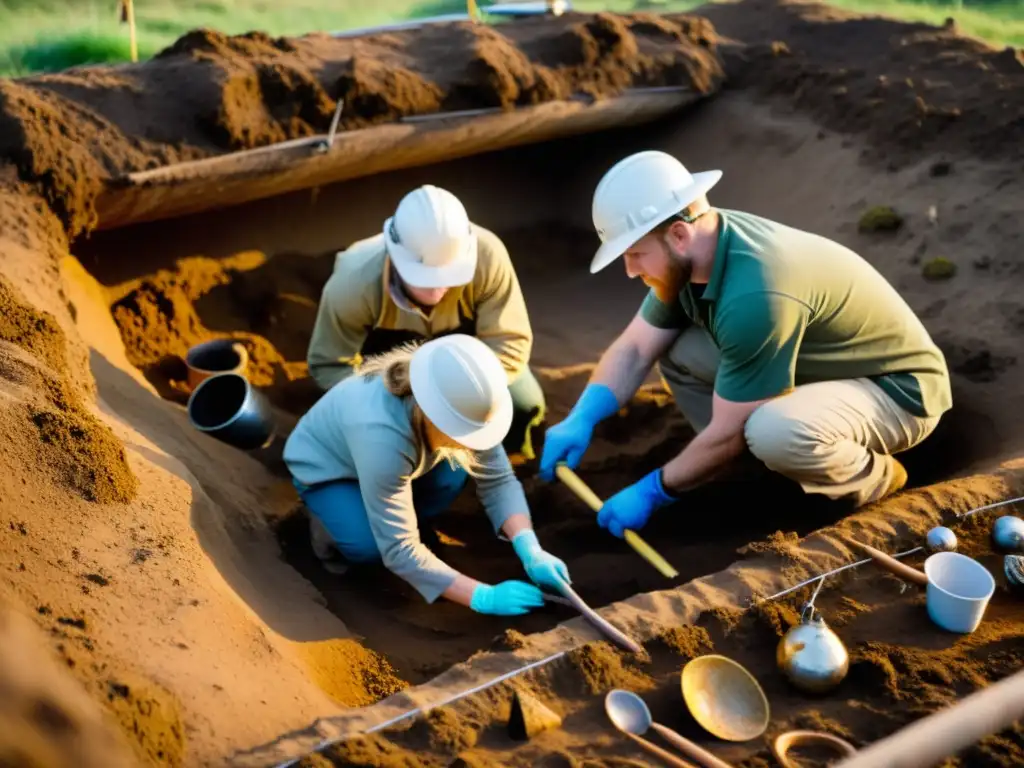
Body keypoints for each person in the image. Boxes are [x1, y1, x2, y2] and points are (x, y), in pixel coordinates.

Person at [540, 150, 952, 538]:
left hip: (897, 390)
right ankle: (745, 466)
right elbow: (634, 348)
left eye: (635, 254)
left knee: (771, 431)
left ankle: (877, 479)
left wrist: (654, 489)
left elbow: (730, 430)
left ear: (679, 235)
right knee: (679, 351)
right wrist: (582, 417)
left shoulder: (755, 292)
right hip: (823, 367)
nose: (631, 271)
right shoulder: (698, 250)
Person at [283, 333, 571, 615]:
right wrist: (482, 596)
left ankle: (399, 515)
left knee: (454, 471)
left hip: (395, 464)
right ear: (433, 415)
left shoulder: (463, 402)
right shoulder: (381, 437)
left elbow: (498, 480)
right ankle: (326, 527)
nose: (475, 439)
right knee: (368, 546)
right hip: (330, 471)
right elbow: (399, 548)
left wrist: (529, 548)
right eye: (463, 431)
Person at [305, 184, 546, 460]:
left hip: (467, 361)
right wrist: (388, 405)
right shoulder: (353, 281)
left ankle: (516, 454)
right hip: (388, 369)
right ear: (395, 258)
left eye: (449, 276)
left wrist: (465, 393)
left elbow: (509, 343)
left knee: (524, 403)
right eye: (424, 279)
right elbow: (330, 365)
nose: (437, 291)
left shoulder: (488, 256)